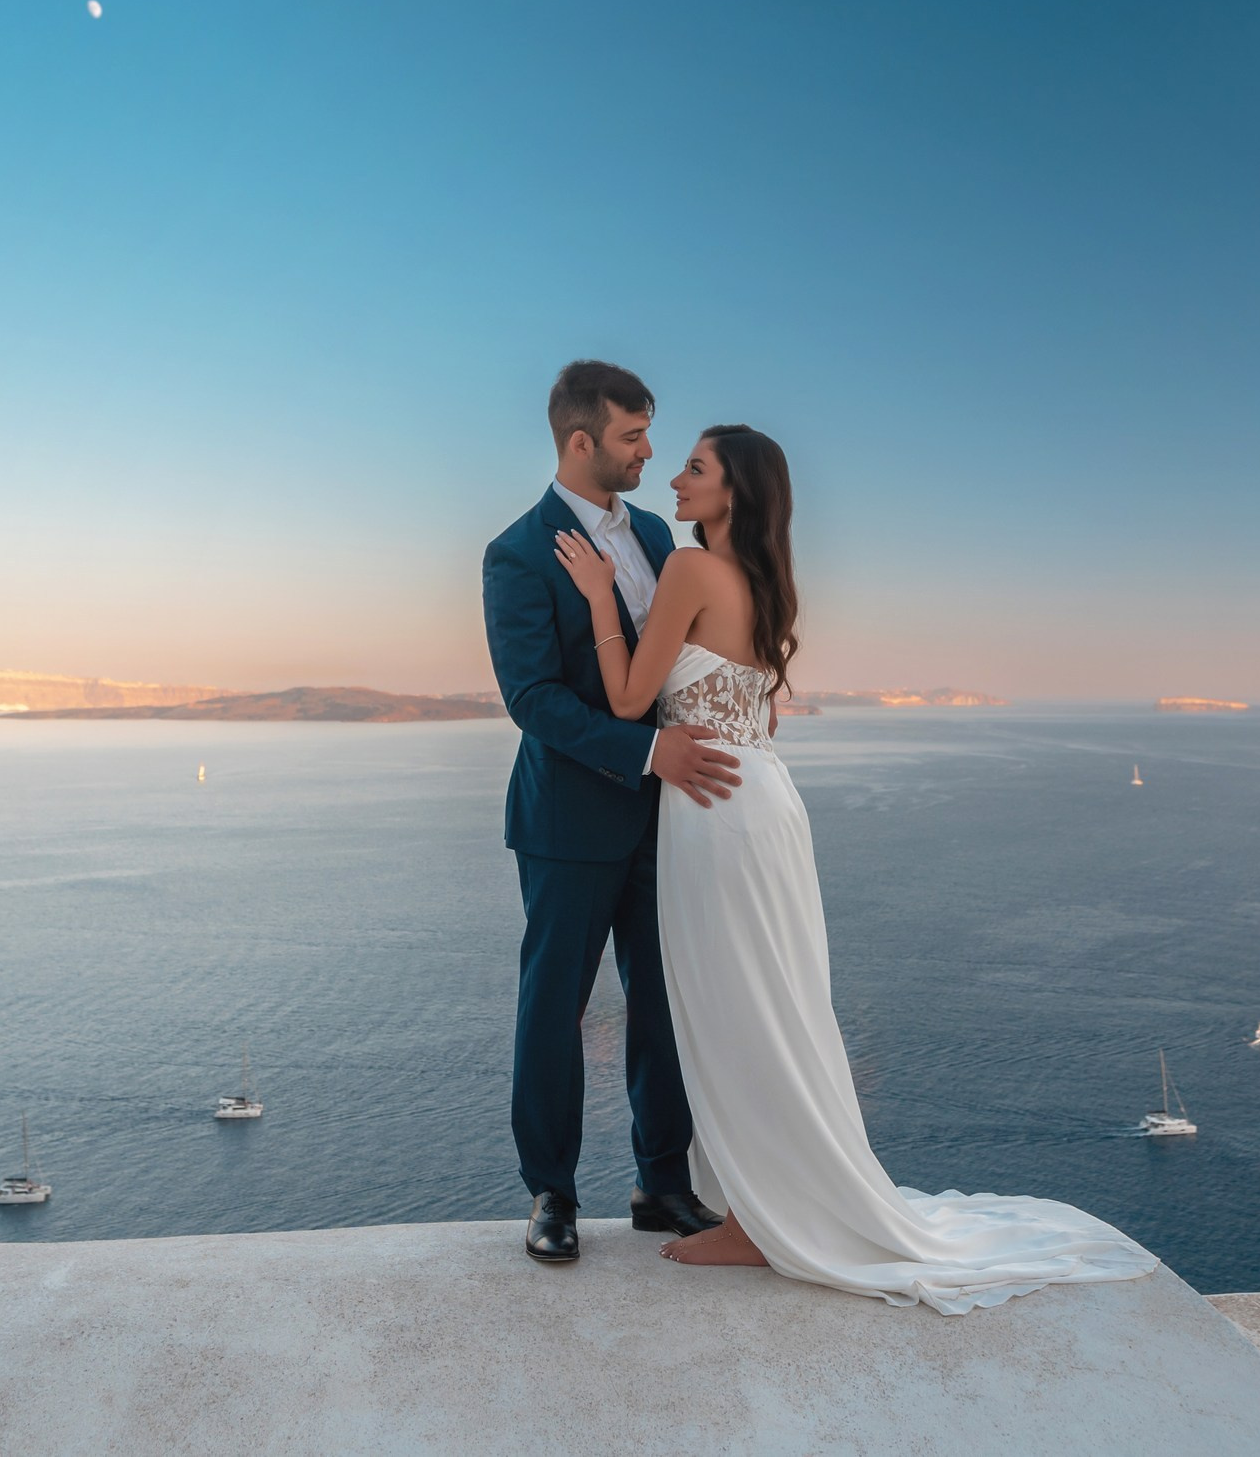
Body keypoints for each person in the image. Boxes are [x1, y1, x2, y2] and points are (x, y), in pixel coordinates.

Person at [552, 422, 1159, 1312]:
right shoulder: (766, 583)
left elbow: (631, 700)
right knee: (779, 1005)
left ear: (736, 493)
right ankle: (763, 1203)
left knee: (735, 1013)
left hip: (714, 813)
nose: (674, 479)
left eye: (695, 467)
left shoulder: (687, 570)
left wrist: (602, 598)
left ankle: (760, 1221)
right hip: (761, 801)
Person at [481, 361, 741, 1264]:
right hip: (567, 824)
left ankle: (661, 1181)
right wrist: (644, 751)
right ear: (580, 440)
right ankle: (551, 1192)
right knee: (554, 1006)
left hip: (668, 816)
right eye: (633, 436)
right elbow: (534, 700)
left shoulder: (665, 539)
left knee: (662, 1000)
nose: (648, 452)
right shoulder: (516, 552)